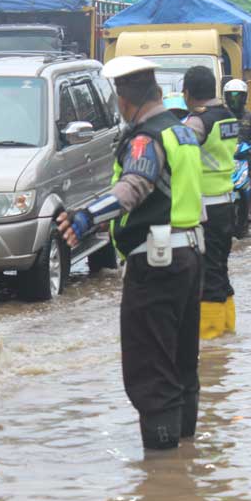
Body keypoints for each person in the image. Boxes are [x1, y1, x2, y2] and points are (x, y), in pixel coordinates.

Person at [56, 56, 204, 451]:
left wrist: (88, 215)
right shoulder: (181, 131)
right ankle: (183, 465)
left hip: (156, 263)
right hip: (189, 255)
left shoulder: (145, 138)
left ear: (123, 100)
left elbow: (134, 186)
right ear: (157, 92)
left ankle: (162, 472)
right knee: (181, 364)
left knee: (150, 370)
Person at [182, 70, 239, 340]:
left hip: (205, 204)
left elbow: (179, 152)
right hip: (227, 200)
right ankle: (227, 329)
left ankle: (211, 340)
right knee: (220, 267)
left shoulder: (198, 121)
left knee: (208, 271)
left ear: (187, 93)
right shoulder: (228, 115)